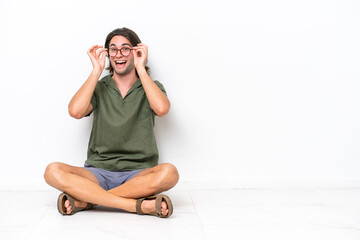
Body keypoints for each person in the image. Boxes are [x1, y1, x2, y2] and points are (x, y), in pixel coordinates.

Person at [44, 27, 179, 218]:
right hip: (98, 172)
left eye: (125, 48)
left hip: (139, 173)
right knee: (52, 171)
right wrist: (96, 71)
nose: (119, 54)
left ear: (136, 51)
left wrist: (141, 67)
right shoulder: (100, 87)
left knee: (170, 173)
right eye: (113, 49)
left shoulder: (151, 86)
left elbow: (162, 109)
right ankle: (136, 206)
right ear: (108, 54)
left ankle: (86, 201)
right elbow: (75, 111)